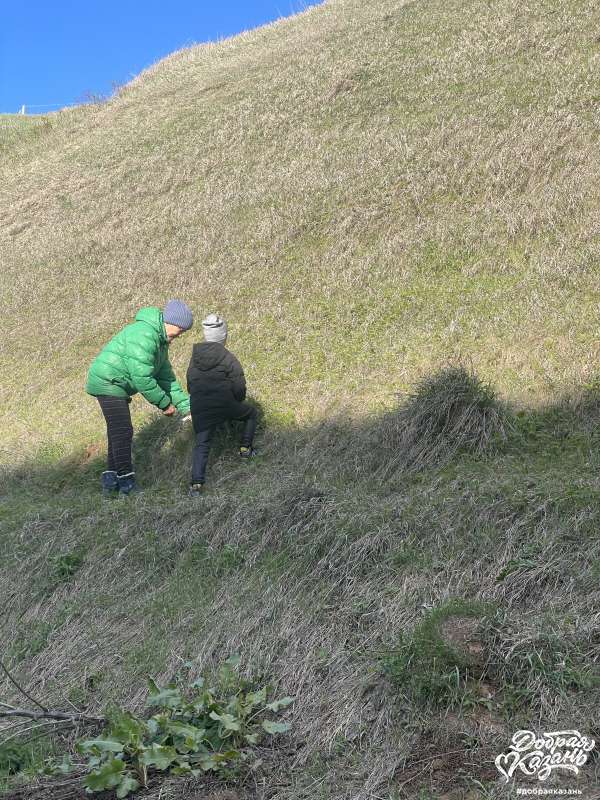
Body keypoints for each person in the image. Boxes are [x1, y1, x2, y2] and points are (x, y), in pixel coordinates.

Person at [86, 300, 194, 495]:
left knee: (117, 431)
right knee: (123, 431)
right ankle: (127, 483)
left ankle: (110, 481)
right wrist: (164, 404)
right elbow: (142, 378)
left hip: (115, 382)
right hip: (108, 380)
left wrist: (187, 407)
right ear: (172, 323)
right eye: (180, 330)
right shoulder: (145, 335)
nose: (179, 335)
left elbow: (166, 379)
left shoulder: (160, 342)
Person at [187, 313, 257, 494]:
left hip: (200, 407)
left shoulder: (194, 359)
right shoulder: (227, 357)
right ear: (223, 336)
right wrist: (237, 402)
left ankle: (196, 484)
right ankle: (245, 448)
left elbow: (190, 384)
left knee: (202, 444)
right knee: (251, 414)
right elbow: (239, 385)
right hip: (225, 403)